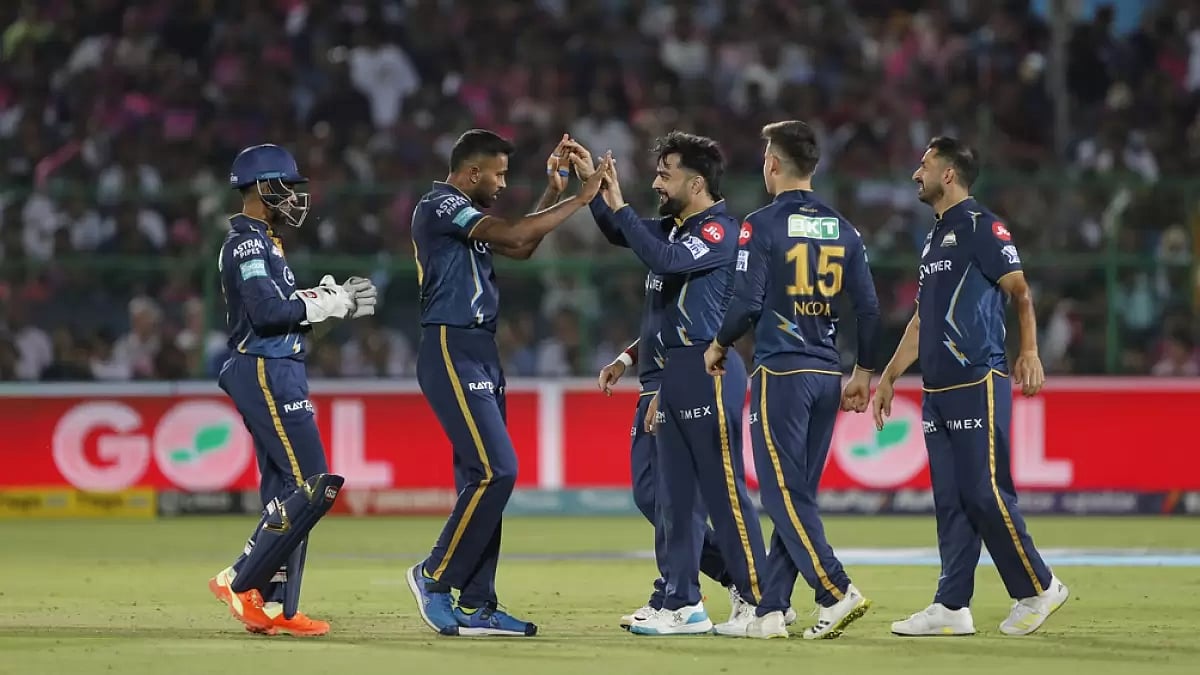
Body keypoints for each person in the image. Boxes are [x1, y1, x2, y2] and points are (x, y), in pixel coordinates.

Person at [406, 130, 608, 637]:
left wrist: (552, 194)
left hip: (479, 350)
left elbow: (518, 247)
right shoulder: (440, 205)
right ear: (472, 172)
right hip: (451, 345)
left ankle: (477, 603)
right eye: (497, 173)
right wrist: (582, 199)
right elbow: (515, 236)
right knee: (498, 470)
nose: (501, 183)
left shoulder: (466, 216)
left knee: (482, 480)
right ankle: (432, 576)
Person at [873, 137, 1069, 637]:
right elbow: (922, 320)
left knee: (984, 493)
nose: (916, 173)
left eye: (924, 165)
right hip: (936, 389)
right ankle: (951, 605)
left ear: (948, 175)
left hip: (976, 379)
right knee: (952, 499)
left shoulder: (984, 227)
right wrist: (890, 376)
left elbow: (1020, 292)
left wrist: (1028, 352)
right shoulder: (934, 237)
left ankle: (1038, 587)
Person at [575, 133, 767, 636]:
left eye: (665, 174)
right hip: (662, 377)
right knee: (656, 497)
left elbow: (663, 260)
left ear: (696, 182)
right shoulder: (677, 231)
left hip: (703, 374)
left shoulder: (721, 232)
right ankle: (700, 588)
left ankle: (739, 592)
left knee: (712, 496)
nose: (656, 183)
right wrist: (595, 190)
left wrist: (619, 205)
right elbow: (626, 235)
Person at [704, 120, 878, 639]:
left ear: (773, 165)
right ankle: (770, 610)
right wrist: (864, 372)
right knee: (796, 492)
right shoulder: (845, 229)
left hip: (782, 370)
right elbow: (868, 308)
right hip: (828, 372)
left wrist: (718, 343)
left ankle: (834, 590)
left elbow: (746, 303)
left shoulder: (760, 225)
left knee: (781, 495)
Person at [208, 143, 377, 637]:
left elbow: (287, 320)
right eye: (287, 186)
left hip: (279, 365)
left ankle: (275, 606)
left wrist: (328, 304)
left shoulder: (269, 243)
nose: (296, 197)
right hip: (265, 369)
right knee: (313, 485)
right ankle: (241, 578)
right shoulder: (247, 244)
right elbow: (265, 315)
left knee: (288, 492)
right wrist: (327, 299)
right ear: (262, 188)